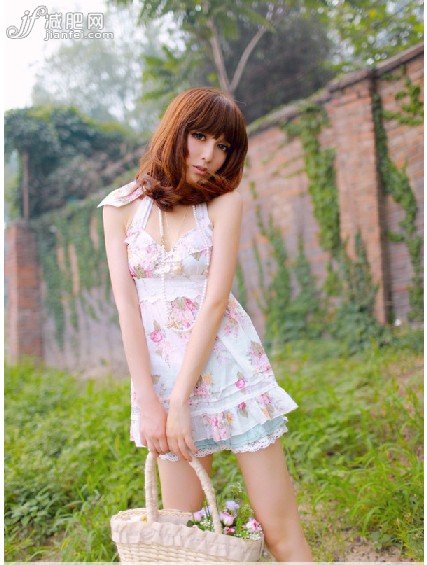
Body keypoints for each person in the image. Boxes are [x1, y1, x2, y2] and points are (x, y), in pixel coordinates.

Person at [97, 86, 313, 562]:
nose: (209, 155)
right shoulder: (119, 208)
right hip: (161, 382)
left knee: (280, 533)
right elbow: (126, 307)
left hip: (229, 373)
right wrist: (150, 401)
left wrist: (180, 402)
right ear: (175, 131)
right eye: (199, 137)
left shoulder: (223, 203)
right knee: (184, 540)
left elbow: (215, 301)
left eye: (223, 146)